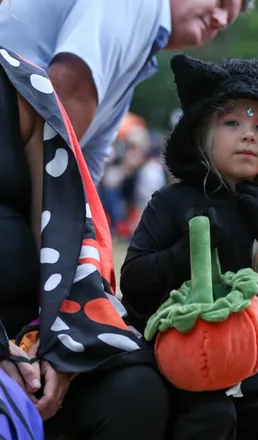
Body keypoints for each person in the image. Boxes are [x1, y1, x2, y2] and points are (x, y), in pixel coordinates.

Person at [120, 53, 258, 440]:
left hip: (248, 361)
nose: (248, 134)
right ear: (202, 133)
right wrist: (183, 255)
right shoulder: (170, 202)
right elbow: (132, 281)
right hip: (178, 357)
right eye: (232, 122)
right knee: (211, 418)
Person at [0, 44, 169, 439]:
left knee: (134, 391)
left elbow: (68, 227)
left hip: (32, 329)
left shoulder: (22, 84)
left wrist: (61, 348)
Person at [0, 0, 254, 185]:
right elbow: (68, 89)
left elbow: (90, 159)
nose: (220, 20)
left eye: (226, 23)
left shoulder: (140, 51)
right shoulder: (139, 5)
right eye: (221, 3)